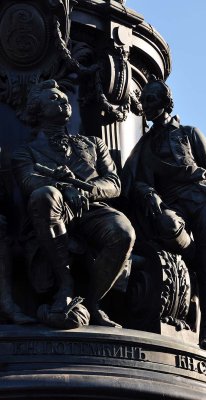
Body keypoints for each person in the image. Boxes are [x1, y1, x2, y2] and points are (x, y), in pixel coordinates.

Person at [122, 76, 206, 351]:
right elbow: (137, 181)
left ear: (166, 102)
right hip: (172, 205)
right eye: (143, 100)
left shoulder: (189, 133)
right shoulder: (144, 146)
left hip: (202, 200)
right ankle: (188, 261)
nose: (145, 104)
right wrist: (148, 193)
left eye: (151, 98)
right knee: (169, 228)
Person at [12, 79, 135, 327]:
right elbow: (28, 182)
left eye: (64, 97)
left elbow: (114, 183)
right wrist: (65, 188)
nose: (63, 100)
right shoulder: (26, 152)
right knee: (44, 195)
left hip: (94, 209)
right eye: (54, 98)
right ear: (37, 110)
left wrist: (88, 192)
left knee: (124, 233)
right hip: (56, 209)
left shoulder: (94, 144)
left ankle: (90, 301)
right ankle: (65, 284)